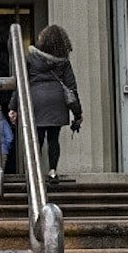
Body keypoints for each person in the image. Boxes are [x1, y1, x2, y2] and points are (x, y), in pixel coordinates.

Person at [24, 24, 83, 175]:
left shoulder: (31, 59)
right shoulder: (63, 62)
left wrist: (13, 107)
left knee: (37, 138)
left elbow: (22, 82)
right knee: (53, 139)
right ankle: (52, 171)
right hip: (57, 101)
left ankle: (35, 171)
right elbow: (71, 88)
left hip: (36, 99)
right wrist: (77, 113)